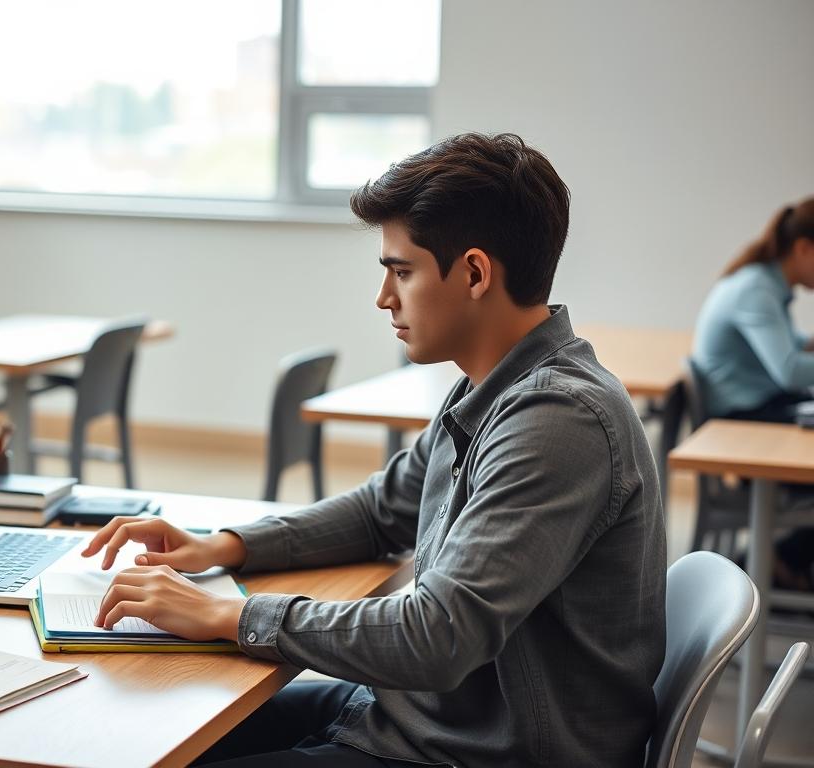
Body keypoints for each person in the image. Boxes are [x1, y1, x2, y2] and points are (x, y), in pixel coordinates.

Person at [80, 133, 667, 767]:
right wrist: (223, 546)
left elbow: (438, 636)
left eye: (402, 271)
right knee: (151, 738)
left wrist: (229, 615)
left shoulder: (557, 419)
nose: (384, 297)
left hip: (477, 752)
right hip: (424, 719)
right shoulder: (494, 387)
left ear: (475, 273)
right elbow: (379, 511)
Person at [693, 198, 814, 590]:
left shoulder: (765, 282)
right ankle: (778, 561)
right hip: (743, 428)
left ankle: (782, 562)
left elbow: (791, 344)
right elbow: (789, 370)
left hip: (754, 412)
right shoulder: (756, 289)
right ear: (803, 248)